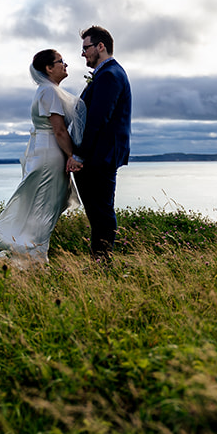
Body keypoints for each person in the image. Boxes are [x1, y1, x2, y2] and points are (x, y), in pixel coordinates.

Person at [0, 48, 84, 267]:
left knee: (43, 205)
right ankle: (33, 261)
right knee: (44, 207)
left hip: (44, 150)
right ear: (49, 68)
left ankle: (31, 255)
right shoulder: (49, 92)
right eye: (61, 61)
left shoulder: (45, 90)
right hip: (51, 152)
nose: (65, 65)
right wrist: (72, 156)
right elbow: (59, 130)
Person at [66, 25, 131, 261]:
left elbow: (97, 120)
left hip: (99, 156)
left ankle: (102, 263)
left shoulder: (110, 76)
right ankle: (99, 261)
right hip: (99, 154)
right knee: (97, 212)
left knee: (101, 212)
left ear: (100, 46)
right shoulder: (106, 74)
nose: (83, 54)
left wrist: (80, 155)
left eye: (86, 48)